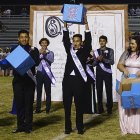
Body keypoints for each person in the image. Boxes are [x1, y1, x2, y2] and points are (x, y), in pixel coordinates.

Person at [62, 15, 91, 135]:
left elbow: (89, 40)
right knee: (67, 106)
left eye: (77, 41)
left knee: (79, 105)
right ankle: (67, 128)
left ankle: (80, 127)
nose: (75, 43)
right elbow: (65, 39)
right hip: (67, 81)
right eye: (74, 41)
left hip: (79, 81)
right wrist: (65, 25)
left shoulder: (85, 51)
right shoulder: (69, 50)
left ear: (81, 43)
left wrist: (86, 25)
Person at [11, 30, 39, 133]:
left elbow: (36, 62)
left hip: (29, 81)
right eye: (22, 37)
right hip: (18, 81)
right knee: (19, 104)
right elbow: (13, 63)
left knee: (28, 104)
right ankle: (20, 126)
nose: (24, 39)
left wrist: (24, 58)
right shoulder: (14, 49)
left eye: (26, 37)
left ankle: (28, 126)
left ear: (29, 38)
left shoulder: (33, 49)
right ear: (18, 39)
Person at [117, 36, 140, 134]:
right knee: (125, 102)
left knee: (137, 102)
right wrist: (124, 69)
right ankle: (126, 127)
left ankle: (137, 127)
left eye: (133, 43)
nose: (131, 45)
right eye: (130, 43)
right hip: (126, 80)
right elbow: (119, 64)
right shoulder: (126, 53)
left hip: (138, 81)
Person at [93, 35, 114, 114]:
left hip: (107, 73)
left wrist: (103, 59)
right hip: (99, 73)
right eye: (100, 41)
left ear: (106, 42)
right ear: (99, 42)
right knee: (99, 90)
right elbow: (94, 64)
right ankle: (100, 109)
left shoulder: (110, 50)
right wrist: (97, 60)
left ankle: (109, 108)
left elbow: (112, 62)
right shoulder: (96, 51)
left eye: (103, 41)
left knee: (109, 91)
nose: (102, 42)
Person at [35, 38, 55, 113]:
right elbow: (36, 62)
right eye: (42, 43)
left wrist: (44, 55)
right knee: (39, 92)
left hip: (47, 74)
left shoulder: (50, 52)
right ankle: (38, 109)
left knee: (48, 92)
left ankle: (47, 109)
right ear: (40, 44)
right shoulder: (37, 52)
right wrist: (40, 54)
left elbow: (51, 61)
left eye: (45, 43)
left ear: (47, 44)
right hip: (39, 73)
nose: (44, 44)